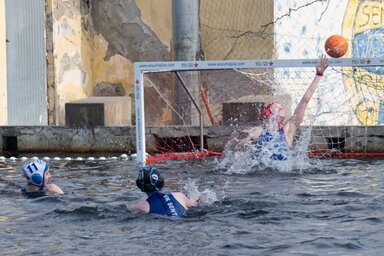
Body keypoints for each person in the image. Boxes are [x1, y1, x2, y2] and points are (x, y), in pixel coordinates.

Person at [228, 55, 329, 160]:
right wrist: (244, 138)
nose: (282, 109)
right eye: (277, 107)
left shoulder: (288, 130)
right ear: (268, 113)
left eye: (282, 108)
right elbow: (235, 149)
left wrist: (319, 74)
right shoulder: (258, 131)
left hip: (283, 175)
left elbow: (305, 101)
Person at [130, 165, 197, 217]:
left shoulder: (142, 206)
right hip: (184, 221)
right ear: (161, 182)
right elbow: (195, 203)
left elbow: (127, 209)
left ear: (139, 185)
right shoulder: (179, 196)